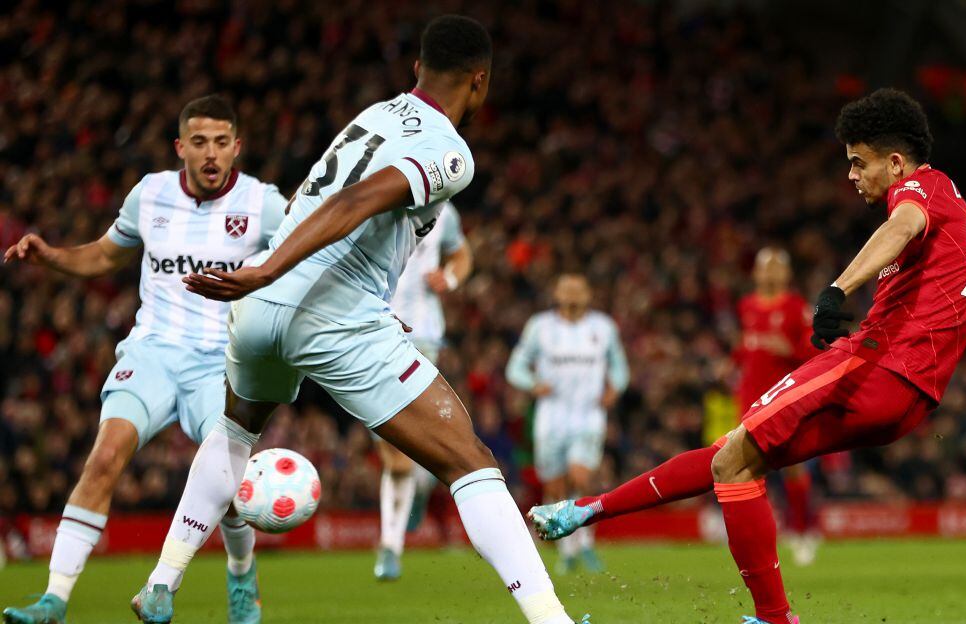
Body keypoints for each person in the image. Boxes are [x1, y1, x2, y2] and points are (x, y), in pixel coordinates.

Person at [131, 16, 585, 624]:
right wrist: (272, 274)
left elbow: (306, 202)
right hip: (330, 313)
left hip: (262, 310)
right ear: (480, 82)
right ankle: (551, 620)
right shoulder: (451, 152)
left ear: (416, 69)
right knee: (470, 462)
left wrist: (270, 276)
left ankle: (163, 582)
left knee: (237, 430)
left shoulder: (372, 115)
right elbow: (354, 202)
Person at [530, 88, 966, 624]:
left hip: (877, 365)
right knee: (735, 458)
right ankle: (588, 510)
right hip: (909, 396)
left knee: (732, 457)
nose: (852, 175)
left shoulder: (919, 189)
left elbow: (902, 225)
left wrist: (837, 290)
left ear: (894, 160)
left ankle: (773, 616)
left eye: (858, 163)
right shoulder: (949, 199)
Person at [2, 95, 285, 624]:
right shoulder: (150, 194)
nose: (211, 153)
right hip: (152, 350)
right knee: (105, 455)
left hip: (219, 364)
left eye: (222, 142)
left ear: (236, 147)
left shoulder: (263, 203)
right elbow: (106, 253)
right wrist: (53, 257)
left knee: (227, 484)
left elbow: (308, 251)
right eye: (199, 142)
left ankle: (242, 574)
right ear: (180, 147)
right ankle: (54, 599)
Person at [375, 201, 473, 580]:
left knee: (409, 445)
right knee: (398, 453)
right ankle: (400, 520)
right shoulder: (371, 202)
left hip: (424, 337)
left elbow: (461, 253)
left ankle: (390, 545)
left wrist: (450, 278)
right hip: (370, 334)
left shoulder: (445, 210)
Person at [506, 274, 629, 574]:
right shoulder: (540, 327)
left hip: (588, 414)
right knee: (555, 485)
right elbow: (515, 367)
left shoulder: (603, 327)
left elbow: (620, 367)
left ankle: (585, 544)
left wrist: (614, 390)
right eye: (567, 290)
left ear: (588, 294)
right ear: (557, 294)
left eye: (578, 289)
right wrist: (532, 384)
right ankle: (567, 551)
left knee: (582, 477)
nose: (572, 295)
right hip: (552, 416)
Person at [734, 248, 820, 565]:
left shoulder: (797, 307)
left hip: (784, 399)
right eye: (764, 268)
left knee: (794, 466)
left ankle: (803, 530)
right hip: (749, 400)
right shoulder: (746, 306)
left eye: (775, 268)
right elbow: (745, 349)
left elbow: (814, 352)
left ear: (786, 274)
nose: (769, 274)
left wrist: (790, 349)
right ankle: (763, 535)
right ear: (755, 274)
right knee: (749, 469)